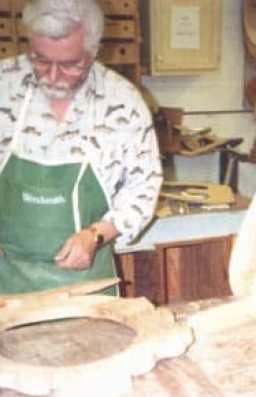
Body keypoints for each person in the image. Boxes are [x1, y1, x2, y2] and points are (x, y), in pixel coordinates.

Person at [0, 0, 162, 295]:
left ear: (93, 51)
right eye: (40, 60)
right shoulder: (5, 85)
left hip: (87, 286)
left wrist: (96, 234)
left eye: (69, 65)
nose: (52, 76)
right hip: (6, 283)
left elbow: (144, 187)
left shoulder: (121, 103)